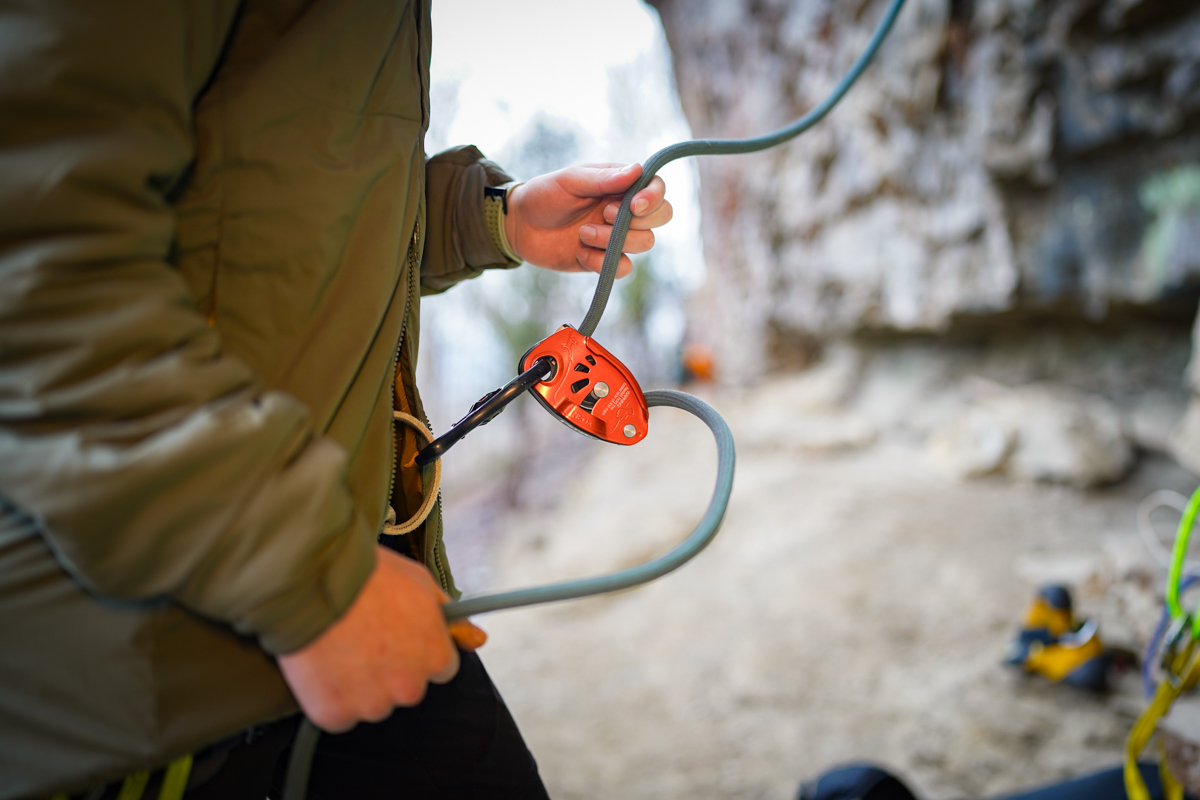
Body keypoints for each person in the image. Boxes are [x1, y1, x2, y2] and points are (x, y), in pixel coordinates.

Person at [0, 1, 673, 797]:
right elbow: (41, 255)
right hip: (165, 636)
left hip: (307, 562)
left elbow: (269, 193)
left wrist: (492, 217)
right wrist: (305, 573)